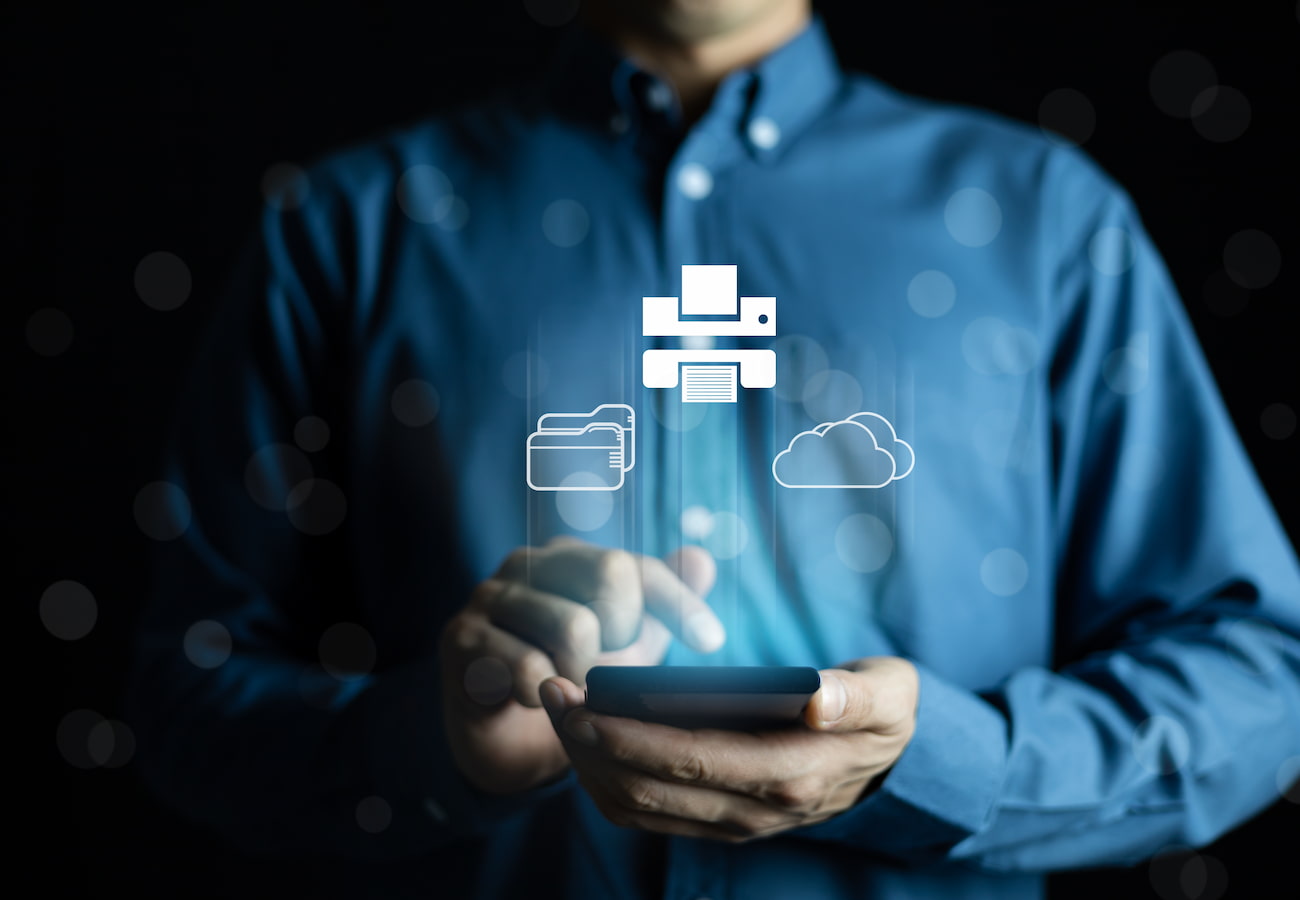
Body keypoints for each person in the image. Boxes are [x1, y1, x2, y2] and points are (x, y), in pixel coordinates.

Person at [128, 1, 1300, 897]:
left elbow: (1267, 675)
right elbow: (187, 689)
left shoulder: (1046, 220)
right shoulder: (348, 230)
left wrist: (947, 761)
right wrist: (436, 747)